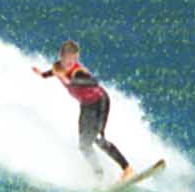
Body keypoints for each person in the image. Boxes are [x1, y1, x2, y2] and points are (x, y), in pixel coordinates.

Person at [36, 42, 132, 178]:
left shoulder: (78, 72)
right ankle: (98, 173)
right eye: (68, 59)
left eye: (74, 59)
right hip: (86, 105)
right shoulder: (58, 67)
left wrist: (72, 82)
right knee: (84, 145)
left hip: (100, 101)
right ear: (61, 56)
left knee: (98, 138)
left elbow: (94, 82)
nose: (71, 62)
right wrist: (42, 75)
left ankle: (127, 168)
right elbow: (53, 72)